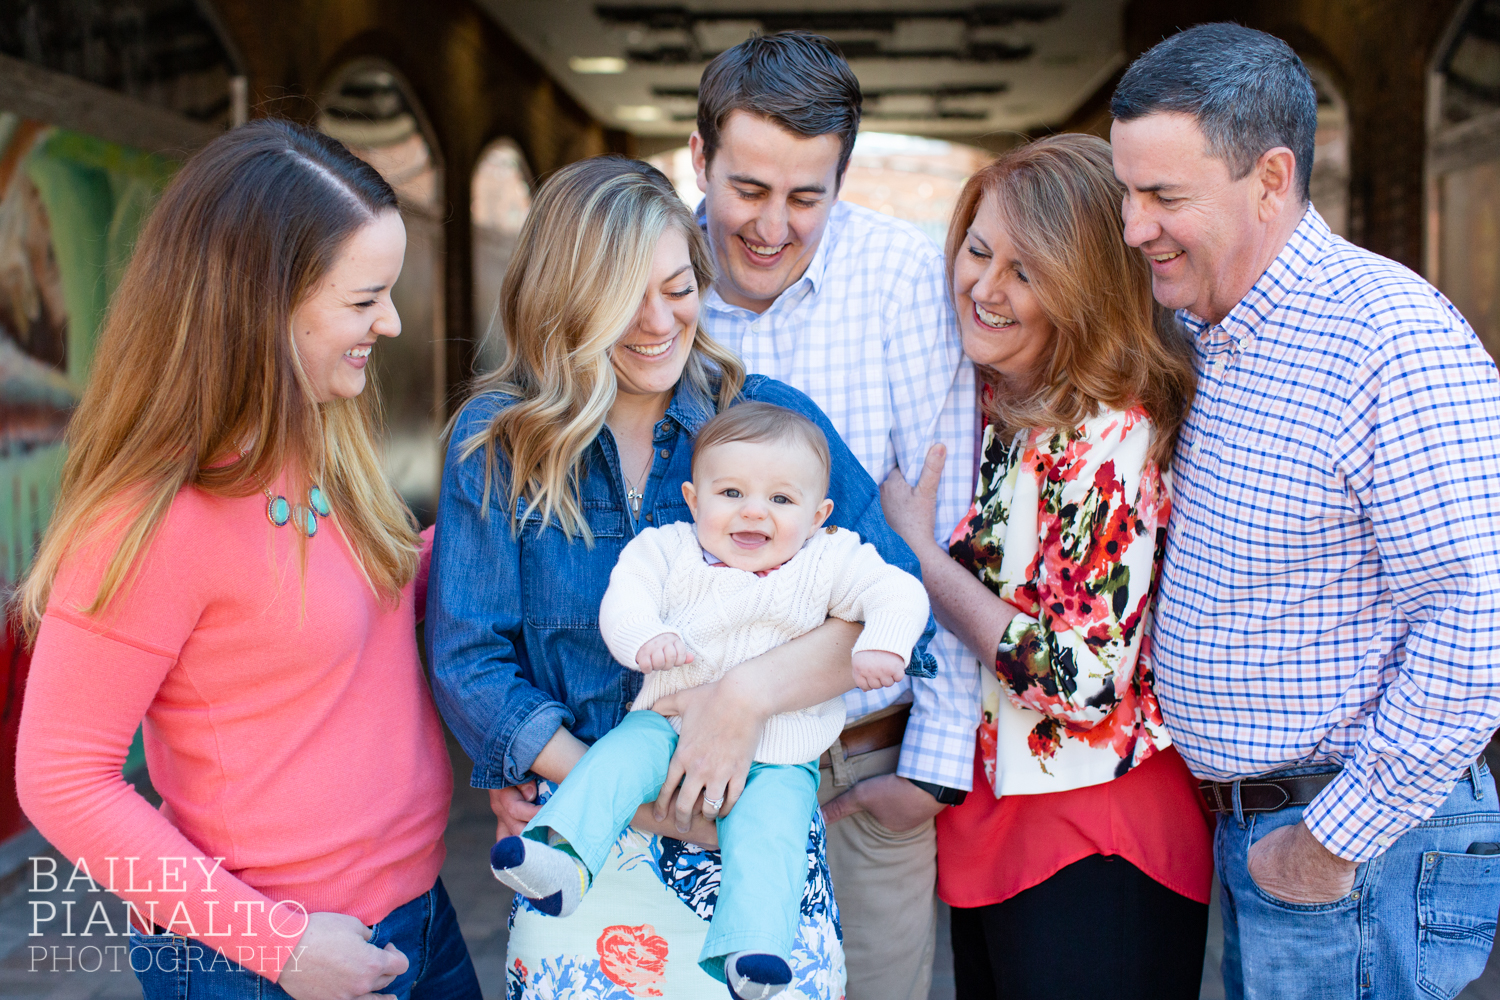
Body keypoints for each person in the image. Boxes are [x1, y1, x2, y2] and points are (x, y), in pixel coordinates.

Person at [426, 155, 933, 999]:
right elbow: (469, 659)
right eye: (626, 294)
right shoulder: (497, 440)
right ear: (565, 298)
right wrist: (603, 782)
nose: (660, 321)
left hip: (754, 837)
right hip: (581, 841)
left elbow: (890, 595)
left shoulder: (766, 416)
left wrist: (744, 700)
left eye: (678, 286)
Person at [13, 119, 481, 1000]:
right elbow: (59, 778)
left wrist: (503, 532)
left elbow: (361, 600)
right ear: (261, 305)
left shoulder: (317, 439)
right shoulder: (147, 519)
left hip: (412, 915)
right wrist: (279, 946)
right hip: (268, 962)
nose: (392, 322)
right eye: (362, 299)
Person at [1109, 22, 1500, 1000]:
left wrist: (1334, 840)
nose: (1132, 225)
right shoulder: (1209, 333)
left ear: (1272, 179)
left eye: (1164, 196)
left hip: (1357, 850)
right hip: (1271, 832)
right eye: (1129, 191)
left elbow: (1478, 615)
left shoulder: (1391, 340)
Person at [879, 133, 1212, 999]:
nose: (986, 288)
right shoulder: (995, 402)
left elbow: (1080, 676)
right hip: (1006, 814)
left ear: (1086, 283)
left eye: (1027, 272)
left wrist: (921, 559)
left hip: (1094, 828)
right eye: (979, 251)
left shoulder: (1106, 432)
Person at [688, 33, 976, 999]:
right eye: (749, 190)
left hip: (863, 769)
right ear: (700, 159)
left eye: (806, 198)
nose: (773, 226)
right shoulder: (649, 286)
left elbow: (951, 534)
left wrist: (929, 773)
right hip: (687, 770)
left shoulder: (903, 282)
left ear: (841, 183)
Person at [491, 402, 930, 1000]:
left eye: (781, 500)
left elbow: (900, 591)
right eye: (731, 492)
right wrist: (645, 638)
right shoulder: (668, 548)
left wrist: (882, 643)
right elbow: (626, 595)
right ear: (694, 500)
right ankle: (560, 855)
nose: (754, 510)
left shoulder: (830, 558)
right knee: (611, 766)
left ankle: (753, 949)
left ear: (819, 513)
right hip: (666, 722)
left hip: (780, 756)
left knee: (773, 835)